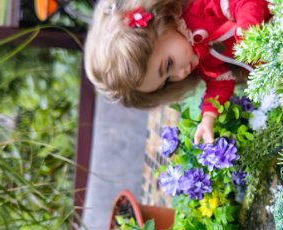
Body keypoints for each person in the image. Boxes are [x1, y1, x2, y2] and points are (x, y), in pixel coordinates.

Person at [84, 0, 271, 144]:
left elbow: (246, 3)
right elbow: (220, 82)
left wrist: (246, 35)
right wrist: (208, 117)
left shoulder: (199, 10)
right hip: (275, 58)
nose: (180, 75)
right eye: (167, 81)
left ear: (162, 23)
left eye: (168, 65)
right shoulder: (199, 59)